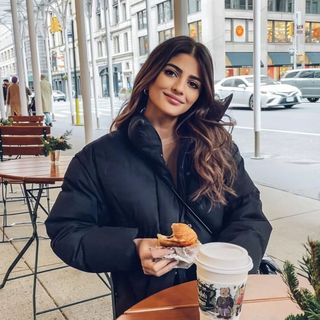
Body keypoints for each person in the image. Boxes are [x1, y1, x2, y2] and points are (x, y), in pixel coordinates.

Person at [45, 36, 272, 317]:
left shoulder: (218, 148)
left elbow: (250, 215)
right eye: (171, 72)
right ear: (151, 74)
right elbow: (66, 232)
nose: (179, 88)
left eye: (193, 83)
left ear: (200, 94)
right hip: (148, 306)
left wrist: (229, 266)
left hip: (218, 304)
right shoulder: (97, 158)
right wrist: (131, 249)